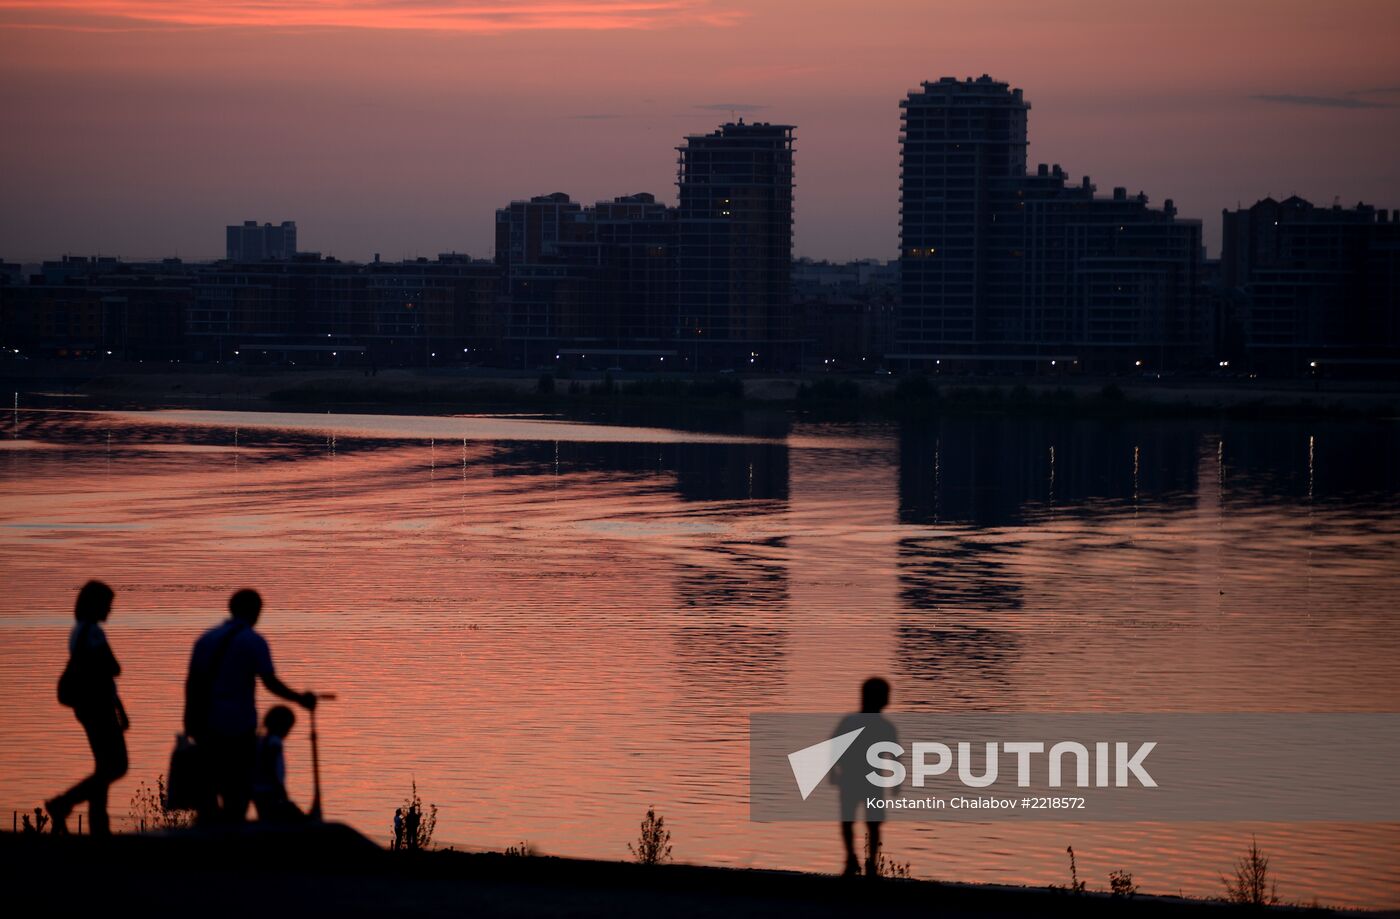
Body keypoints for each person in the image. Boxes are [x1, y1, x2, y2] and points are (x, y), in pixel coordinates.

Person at [184, 589, 316, 825]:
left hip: (206, 725)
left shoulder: (205, 639)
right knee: (237, 792)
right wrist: (300, 699)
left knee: (211, 788)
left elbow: (192, 683)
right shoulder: (253, 641)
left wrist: (190, 721)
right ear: (256, 611)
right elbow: (270, 682)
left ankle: (208, 838)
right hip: (238, 726)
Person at [46, 581, 129, 835]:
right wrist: (116, 708)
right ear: (96, 605)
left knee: (104, 767)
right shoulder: (93, 632)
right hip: (97, 706)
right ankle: (63, 803)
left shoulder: (77, 631)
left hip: (90, 705)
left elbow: (102, 675)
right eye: (107, 605)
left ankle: (98, 825)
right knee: (117, 766)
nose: (110, 610)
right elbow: (112, 669)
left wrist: (120, 708)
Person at [830, 677, 898, 877]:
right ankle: (857, 860)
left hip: (862, 780)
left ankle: (866, 862)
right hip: (862, 780)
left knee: (865, 821)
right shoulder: (872, 724)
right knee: (859, 821)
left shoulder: (878, 725)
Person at [252, 705, 303, 822]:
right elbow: (270, 764)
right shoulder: (274, 742)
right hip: (270, 789)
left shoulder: (260, 740)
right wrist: (280, 788)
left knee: (266, 816)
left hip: (258, 789)